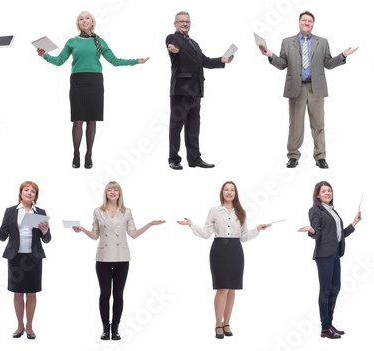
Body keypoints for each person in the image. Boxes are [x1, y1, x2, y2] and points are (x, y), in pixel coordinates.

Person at [39, 11, 148, 169]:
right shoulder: (72, 42)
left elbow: (115, 61)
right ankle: (76, 153)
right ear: (78, 24)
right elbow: (59, 61)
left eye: (87, 18)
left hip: (95, 82)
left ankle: (89, 154)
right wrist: (45, 55)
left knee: (92, 120)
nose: (84, 20)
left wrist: (136, 61)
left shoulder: (99, 41)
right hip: (77, 82)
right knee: (78, 120)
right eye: (81, 19)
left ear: (92, 22)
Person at [260, 11, 357, 169]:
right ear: (299, 22)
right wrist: (270, 55)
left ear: (313, 24)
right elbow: (282, 64)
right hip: (295, 88)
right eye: (304, 20)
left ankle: (320, 157)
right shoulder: (287, 42)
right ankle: (293, 156)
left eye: (310, 21)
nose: (306, 23)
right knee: (295, 125)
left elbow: (328, 63)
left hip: (315, 88)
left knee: (318, 124)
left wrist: (342, 56)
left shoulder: (323, 42)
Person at [177, 181, 271, 339]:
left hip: (235, 251)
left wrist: (258, 229)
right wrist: (191, 225)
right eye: (226, 190)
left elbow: (244, 236)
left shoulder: (241, 212)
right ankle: (218, 324)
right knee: (222, 288)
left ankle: (227, 323)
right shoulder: (214, 211)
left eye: (232, 190)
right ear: (222, 193)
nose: (229, 192)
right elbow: (206, 233)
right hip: (219, 250)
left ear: (236, 193)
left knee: (232, 289)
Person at [71, 181, 163, 340]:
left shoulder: (126, 212)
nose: (112, 192)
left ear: (120, 193)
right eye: (109, 190)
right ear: (105, 194)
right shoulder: (98, 211)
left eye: (115, 190)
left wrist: (149, 224)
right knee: (105, 294)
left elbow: (133, 234)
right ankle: (105, 329)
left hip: (122, 257)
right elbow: (95, 235)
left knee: (118, 294)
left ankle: (116, 328)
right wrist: (81, 230)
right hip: (103, 257)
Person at [0, 181, 51, 340]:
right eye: (26, 190)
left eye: (33, 191)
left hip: (34, 258)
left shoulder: (39, 211)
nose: (29, 193)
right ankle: (20, 325)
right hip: (15, 257)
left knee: (32, 293)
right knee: (18, 292)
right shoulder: (11, 211)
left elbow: (47, 239)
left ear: (36, 196)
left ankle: (30, 326)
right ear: (20, 193)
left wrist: (45, 232)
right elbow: (3, 236)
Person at [165, 11, 230, 170]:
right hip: (181, 91)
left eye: (187, 21)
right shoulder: (173, 38)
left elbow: (204, 61)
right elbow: (173, 46)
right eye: (181, 21)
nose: (185, 24)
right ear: (175, 24)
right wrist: (172, 48)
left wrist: (222, 60)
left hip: (196, 92)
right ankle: (174, 159)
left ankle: (194, 159)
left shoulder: (194, 43)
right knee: (176, 126)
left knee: (193, 127)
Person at [297, 181, 361, 339]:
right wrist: (311, 230)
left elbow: (339, 235)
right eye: (323, 191)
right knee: (325, 291)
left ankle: (329, 325)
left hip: (335, 254)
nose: (327, 193)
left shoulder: (333, 211)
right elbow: (317, 232)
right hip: (324, 255)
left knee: (336, 288)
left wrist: (354, 222)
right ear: (317, 195)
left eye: (329, 190)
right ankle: (325, 327)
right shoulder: (315, 210)